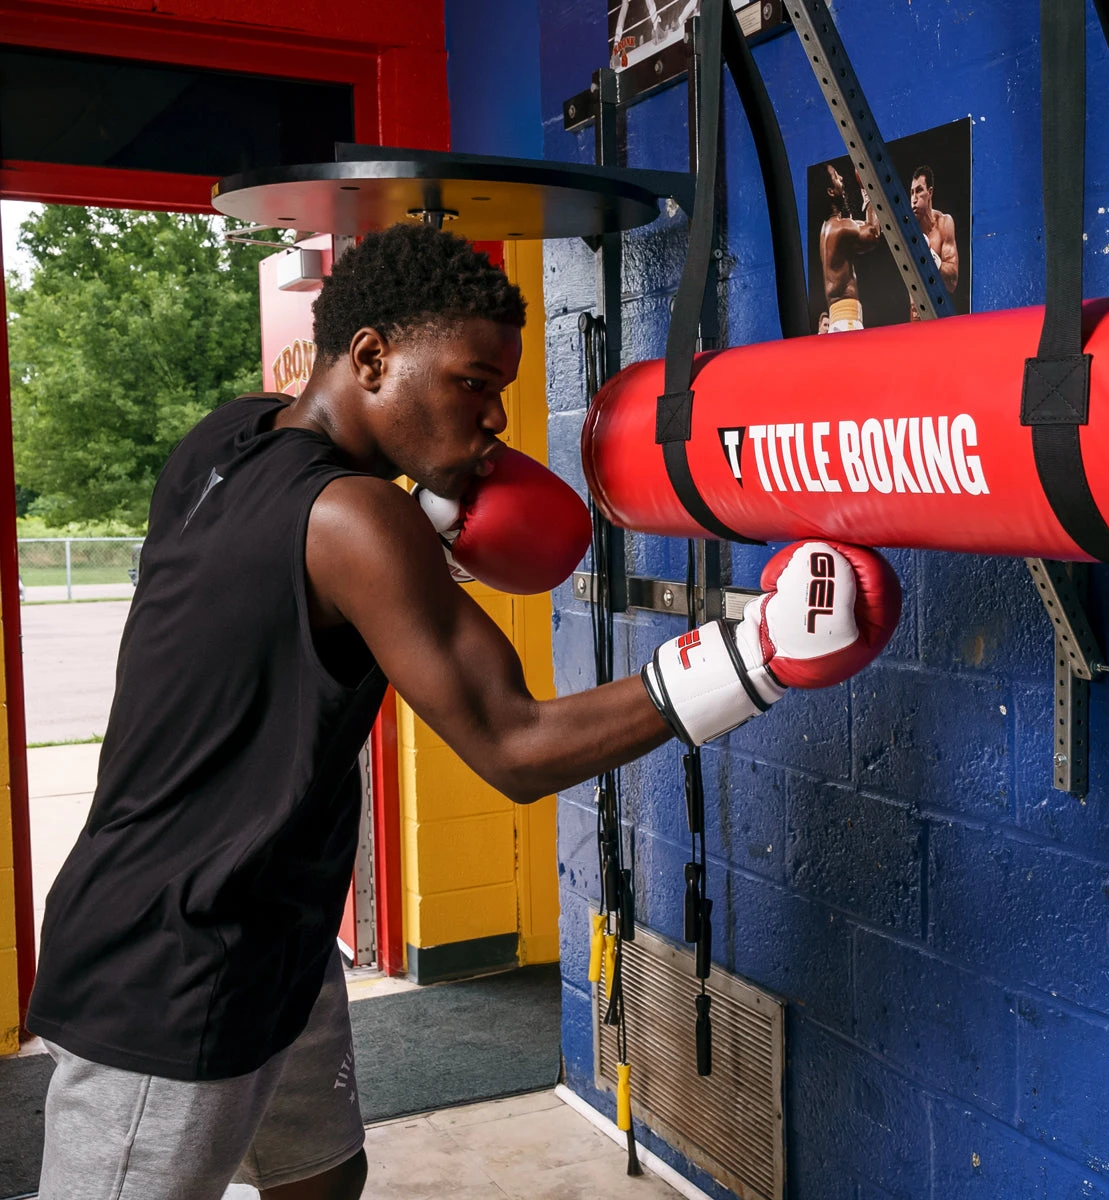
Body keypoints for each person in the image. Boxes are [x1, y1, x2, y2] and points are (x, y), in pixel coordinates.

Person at [26, 222, 897, 1199]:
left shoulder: (228, 435)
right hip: (176, 956)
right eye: (472, 384)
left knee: (320, 1174)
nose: (493, 423)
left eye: (500, 393)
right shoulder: (358, 520)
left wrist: (424, 498)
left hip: (274, 919)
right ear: (371, 357)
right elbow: (513, 747)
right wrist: (755, 656)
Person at [818, 162, 882, 332]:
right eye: (836, 177)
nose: (842, 179)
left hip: (841, 322)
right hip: (847, 323)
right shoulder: (840, 228)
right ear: (831, 191)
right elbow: (874, 233)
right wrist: (868, 189)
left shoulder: (827, 229)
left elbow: (860, 228)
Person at [908, 164, 959, 320]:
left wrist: (930, 258)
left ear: (929, 192)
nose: (914, 199)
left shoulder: (944, 223)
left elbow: (953, 281)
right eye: (911, 193)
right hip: (914, 317)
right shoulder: (908, 228)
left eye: (919, 191)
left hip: (938, 313)